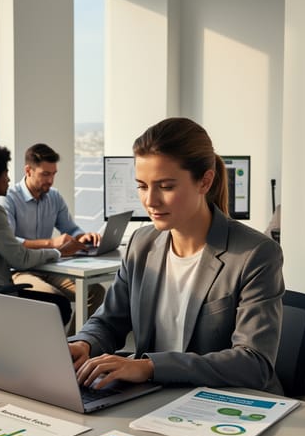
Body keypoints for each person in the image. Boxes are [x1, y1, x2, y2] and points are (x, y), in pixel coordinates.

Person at [68, 117, 285, 394]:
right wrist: (83, 343)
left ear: (205, 181)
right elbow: (109, 321)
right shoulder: (141, 244)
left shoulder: (254, 254)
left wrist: (148, 367)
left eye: (166, 186)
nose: (150, 200)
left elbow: (254, 363)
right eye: (143, 186)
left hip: (224, 405)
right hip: (154, 400)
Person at [0, 143, 79, 308]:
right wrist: (56, 251)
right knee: (58, 305)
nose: (9, 179)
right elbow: (21, 259)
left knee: (64, 301)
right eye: (5, 174)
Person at [0, 143, 105, 318]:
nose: (50, 180)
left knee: (95, 292)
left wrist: (83, 236)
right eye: (45, 174)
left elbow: (70, 228)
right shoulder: (8, 199)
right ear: (28, 170)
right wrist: (51, 243)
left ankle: (72, 343)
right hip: (19, 270)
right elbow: (10, 242)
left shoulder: (54, 197)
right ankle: (53, 345)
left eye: (53, 174)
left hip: (49, 267)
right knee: (53, 299)